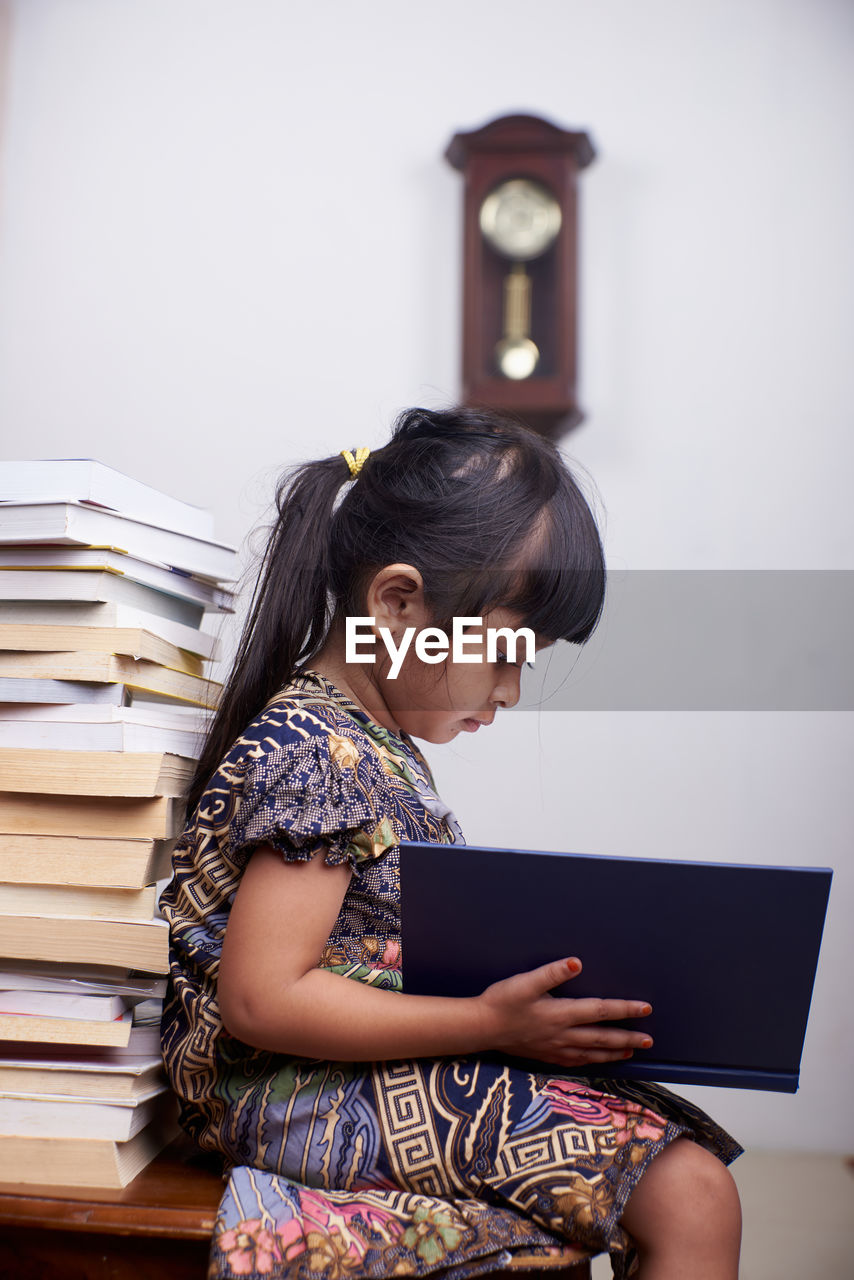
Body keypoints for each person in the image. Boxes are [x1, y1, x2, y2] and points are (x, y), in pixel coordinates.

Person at [160, 407, 742, 1280]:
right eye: (505, 651)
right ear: (396, 603)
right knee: (689, 1194)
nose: (510, 689)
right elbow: (260, 1000)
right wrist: (490, 1023)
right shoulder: (319, 751)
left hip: (338, 1075)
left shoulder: (369, 740)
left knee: (680, 1168)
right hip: (284, 1091)